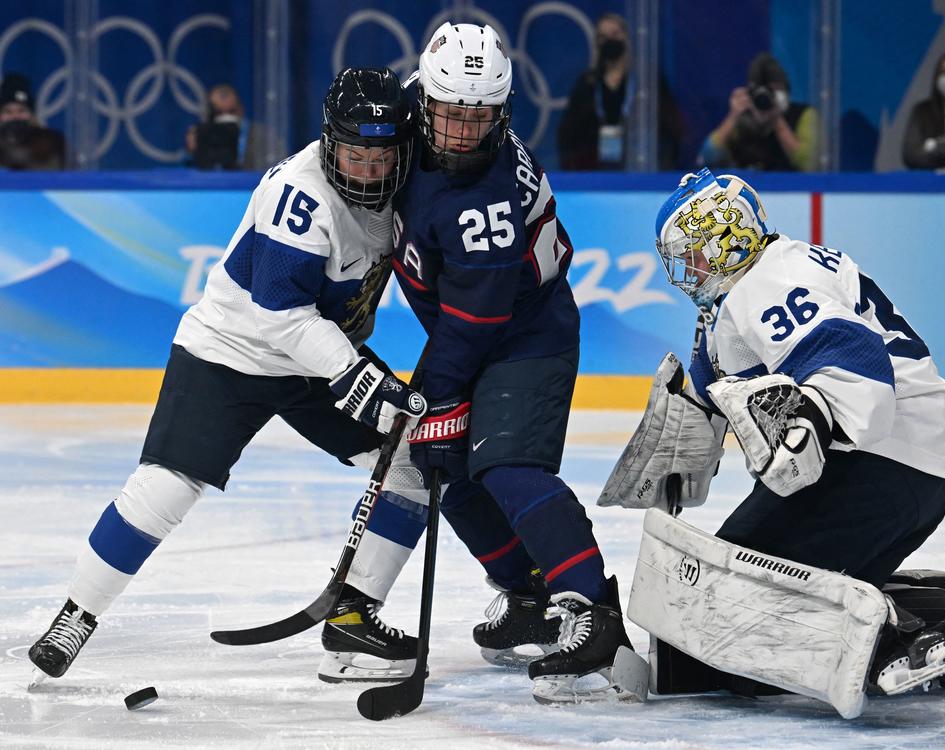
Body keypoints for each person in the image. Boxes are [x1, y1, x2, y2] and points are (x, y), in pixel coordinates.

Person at [27, 68, 429, 682]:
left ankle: (351, 621)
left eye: (381, 156)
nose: (368, 170)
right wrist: (354, 374)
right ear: (329, 144)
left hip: (317, 353)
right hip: (232, 350)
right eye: (355, 154)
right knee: (165, 486)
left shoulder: (402, 173)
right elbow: (279, 313)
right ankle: (76, 614)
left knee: (414, 462)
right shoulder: (304, 194)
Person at [319, 22, 639, 704]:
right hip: (472, 327)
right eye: (450, 115)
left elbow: (477, 320)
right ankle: (527, 595)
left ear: (503, 111)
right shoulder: (410, 106)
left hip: (525, 332)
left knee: (507, 465)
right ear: (424, 95)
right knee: (446, 471)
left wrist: (434, 394)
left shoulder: (484, 202)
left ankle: (593, 610)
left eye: (479, 118)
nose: (463, 133)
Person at [601, 168, 945, 705]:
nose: (685, 269)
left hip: (883, 462)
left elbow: (852, 362)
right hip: (909, 467)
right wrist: (684, 448)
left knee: (726, 615)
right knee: (712, 609)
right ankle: (916, 608)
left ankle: (900, 638)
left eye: (692, 252)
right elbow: (721, 388)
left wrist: (814, 417)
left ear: (725, 239)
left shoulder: (765, 282)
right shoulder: (750, 285)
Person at [557, 12, 682, 170]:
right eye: (603, 36)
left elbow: (670, 127)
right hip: (593, 170)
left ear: (627, 38)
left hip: (638, 167)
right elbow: (568, 133)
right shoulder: (587, 83)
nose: (610, 40)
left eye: (615, 34)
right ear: (596, 43)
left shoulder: (646, 81)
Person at [699, 53, 818, 171]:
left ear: (785, 92)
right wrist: (733, 116)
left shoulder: (803, 115)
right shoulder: (742, 117)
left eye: (772, 91)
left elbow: (809, 164)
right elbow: (707, 158)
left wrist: (777, 120)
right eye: (760, 92)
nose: (765, 98)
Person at [185, 83, 276, 170]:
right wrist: (192, 151)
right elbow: (186, 170)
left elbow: (277, 167)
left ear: (241, 109)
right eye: (218, 113)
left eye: (231, 112)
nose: (226, 118)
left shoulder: (263, 135)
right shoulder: (202, 133)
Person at [0, 72, 65, 170]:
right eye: (8, 112)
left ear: (31, 114)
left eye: (21, 110)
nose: (15, 116)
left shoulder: (51, 142)